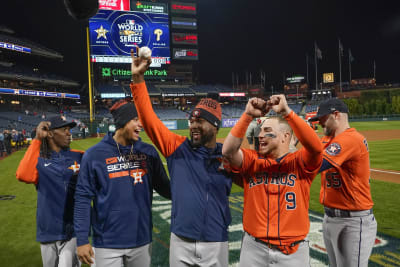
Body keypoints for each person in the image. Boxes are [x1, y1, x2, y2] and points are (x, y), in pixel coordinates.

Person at [130, 48, 233, 267]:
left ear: (215, 126)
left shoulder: (228, 155)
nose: (194, 126)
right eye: (192, 121)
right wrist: (138, 78)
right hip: (180, 240)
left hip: (216, 241)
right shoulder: (177, 146)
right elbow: (149, 120)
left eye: (200, 121)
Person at [222, 95, 323, 266]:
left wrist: (287, 113)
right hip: (254, 249)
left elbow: (316, 148)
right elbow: (228, 151)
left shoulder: (299, 163)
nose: (260, 135)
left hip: (293, 253)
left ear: (285, 137)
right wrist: (247, 115)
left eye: (267, 131)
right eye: (260, 131)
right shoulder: (252, 160)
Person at [74, 100, 171, 267]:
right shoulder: (94, 155)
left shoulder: (148, 152)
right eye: (135, 119)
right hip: (106, 243)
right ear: (122, 122)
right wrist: (82, 240)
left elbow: (165, 188)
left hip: (141, 240)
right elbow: (82, 199)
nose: (140, 124)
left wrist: (189, 185)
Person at [309, 98, 377, 267]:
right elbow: (300, 157)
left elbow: (313, 166)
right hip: (330, 217)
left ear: (336, 115)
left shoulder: (351, 139)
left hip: (352, 221)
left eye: (323, 118)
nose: (319, 123)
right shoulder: (327, 140)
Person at [16, 116, 83, 267]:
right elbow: (23, 175)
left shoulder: (78, 156)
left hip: (72, 231)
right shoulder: (39, 160)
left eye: (69, 130)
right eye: (64, 130)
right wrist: (38, 139)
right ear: (51, 134)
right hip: (47, 230)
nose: (68, 133)